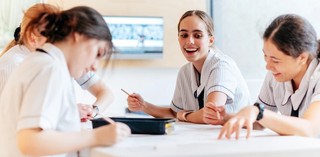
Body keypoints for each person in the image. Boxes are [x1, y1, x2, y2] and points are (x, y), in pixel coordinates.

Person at [0, 5, 130, 157]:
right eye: (98, 53)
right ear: (78, 36)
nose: (95, 66)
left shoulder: (42, 62)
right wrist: (98, 136)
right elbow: (30, 142)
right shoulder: (50, 69)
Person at [126, 10, 251, 124]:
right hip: (205, 137)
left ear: (211, 40)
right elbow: (174, 113)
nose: (189, 41)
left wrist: (183, 116)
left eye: (197, 36)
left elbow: (212, 114)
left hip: (234, 138)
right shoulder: (184, 72)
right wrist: (143, 106)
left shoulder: (222, 66)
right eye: (184, 35)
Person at [0, 3, 114, 122]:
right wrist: (71, 113)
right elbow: (22, 122)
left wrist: (91, 111)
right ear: (33, 38)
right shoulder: (16, 64)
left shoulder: (59, 62)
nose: (59, 39)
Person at [218, 14, 320, 139]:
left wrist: (257, 112)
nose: (268, 66)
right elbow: (260, 123)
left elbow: (309, 129)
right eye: (266, 56)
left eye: (275, 60)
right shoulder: (276, 75)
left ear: (302, 58)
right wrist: (227, 117)